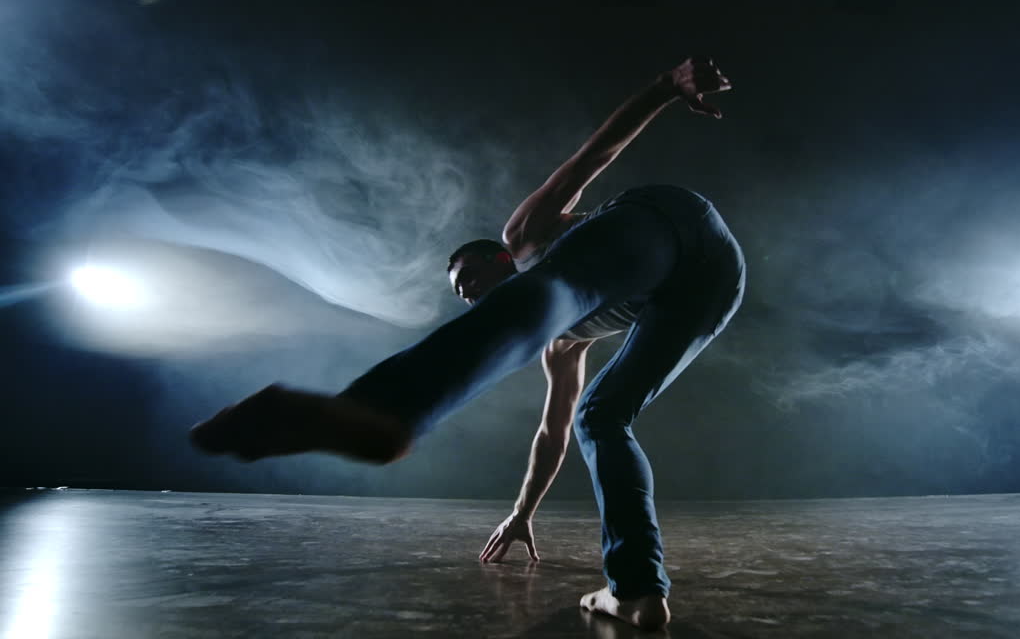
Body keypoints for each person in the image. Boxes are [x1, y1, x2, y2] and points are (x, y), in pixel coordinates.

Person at [190, 56, 747, 631]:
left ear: (497, 258)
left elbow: (594, 155)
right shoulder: (560, 347)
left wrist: (662, 88)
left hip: (667, 223)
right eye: (460, 296)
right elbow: (551, 436)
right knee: (599, 417)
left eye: (469, 282)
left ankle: (380, 410)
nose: (468, 297)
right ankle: (636, 590)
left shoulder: (527, 236)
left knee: (550, 288)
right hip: (704, 288)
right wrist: (521, 513)